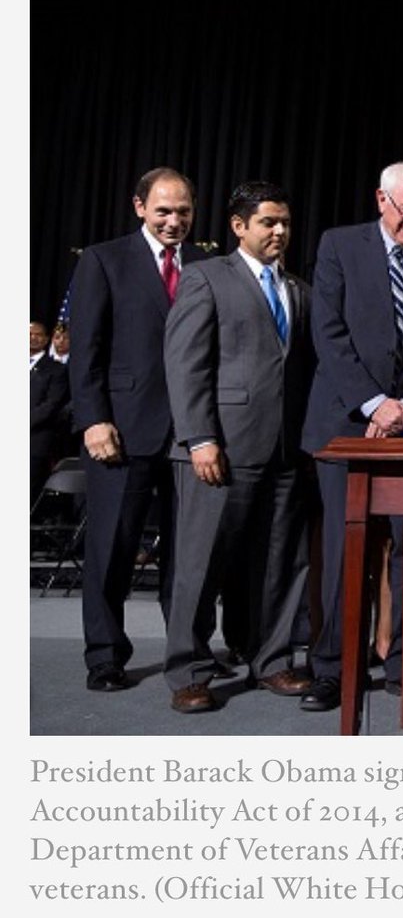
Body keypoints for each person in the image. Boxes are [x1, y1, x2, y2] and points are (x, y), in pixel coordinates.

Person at [300, 161, 403, 712]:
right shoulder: (338, 245)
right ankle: (333, 669)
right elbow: (329, 332)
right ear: (381, 199)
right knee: (343, 551)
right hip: (345, 425)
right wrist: (374, 403)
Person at [161, 181, 314, 713]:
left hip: (285, 451)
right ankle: (190, 671)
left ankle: (271, 660)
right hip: (219, 448)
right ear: (238, 226)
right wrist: (200, 437)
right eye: (269, 222)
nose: (280, 231)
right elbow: (185, 363)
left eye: (285, 223)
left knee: (281, 563)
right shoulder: (206, 277)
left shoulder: (297, 288)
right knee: (201, 564)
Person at [68, 167, 207, 692]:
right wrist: (93, 419)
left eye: (183, 211)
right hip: (121, 429)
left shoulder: (206, 265)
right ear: (139, 206)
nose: (174, 221)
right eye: (164, 210)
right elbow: (86, 349)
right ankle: (105, 655)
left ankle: (188, 653)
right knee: (111, 547)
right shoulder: (104, 259)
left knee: (187, 554)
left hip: (190, 432)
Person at [30, 320, 69, 504]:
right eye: (28, 334)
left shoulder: (56, 369)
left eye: (37, 334)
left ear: (46, 340)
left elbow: (51, 405)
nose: (32, 338)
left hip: (34, 441)